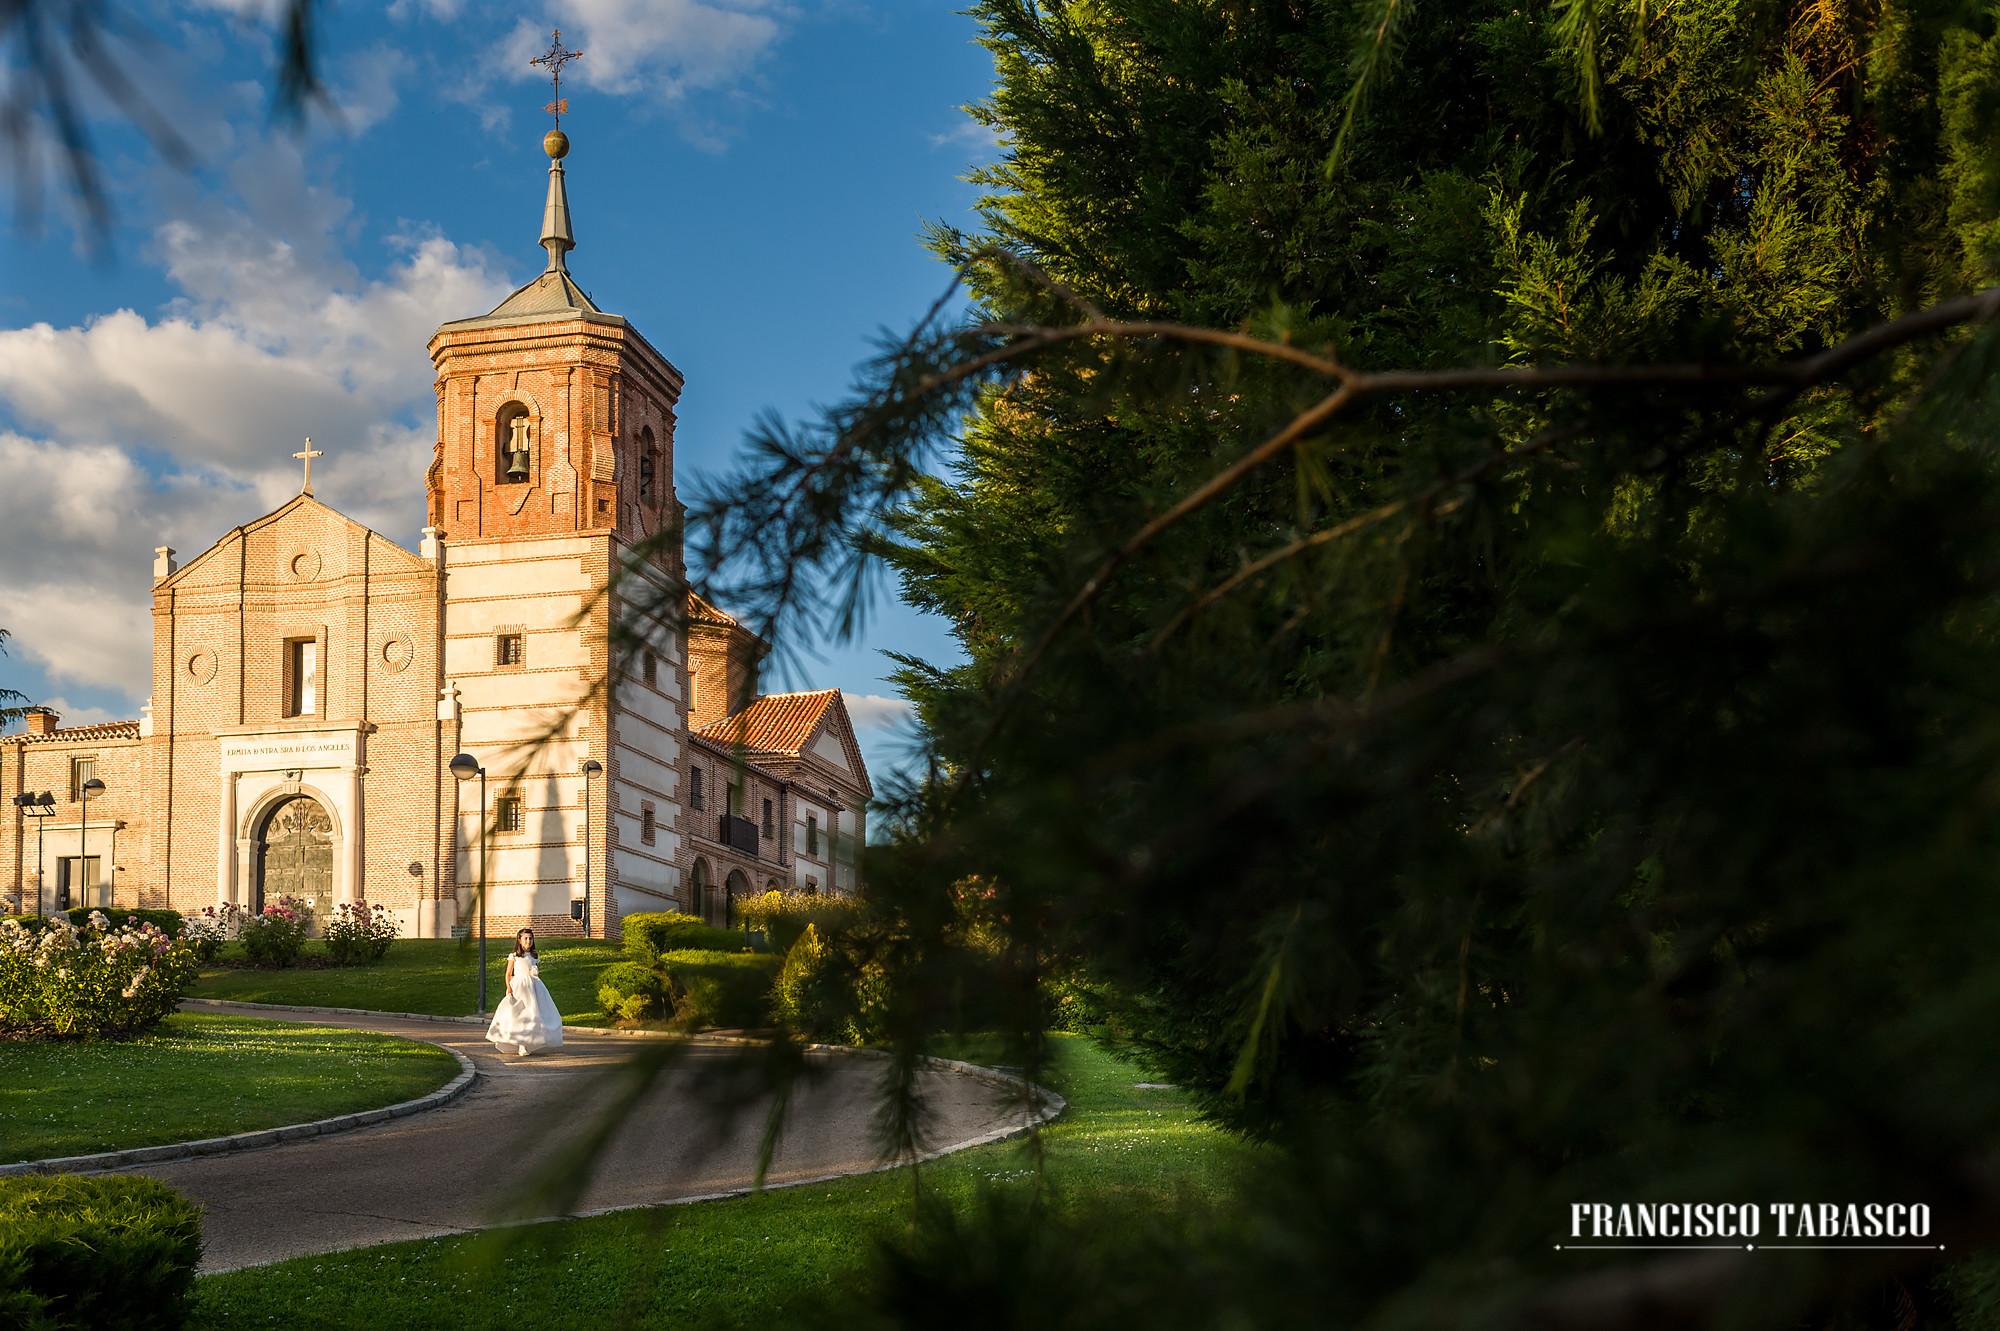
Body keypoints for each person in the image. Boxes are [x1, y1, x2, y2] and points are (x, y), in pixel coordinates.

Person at [486, 927, 563, 1056]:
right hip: (519, 986)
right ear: (519, 940)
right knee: (519, 1014)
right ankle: (521, 1045)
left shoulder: (534, 956)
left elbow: (534, 970)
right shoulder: (514, 956)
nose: (528, 941)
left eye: (530, 938)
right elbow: (508, 974)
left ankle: (529, 1042)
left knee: (533, 1014)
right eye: (525, 938)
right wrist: (509, 987)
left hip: (534, 988)